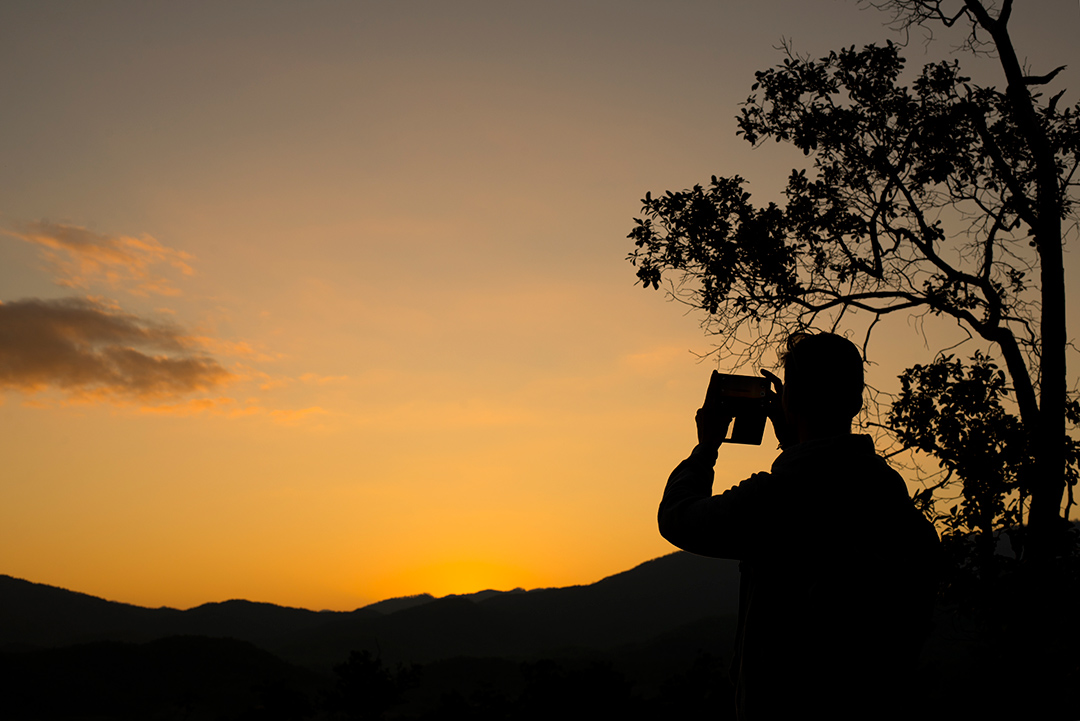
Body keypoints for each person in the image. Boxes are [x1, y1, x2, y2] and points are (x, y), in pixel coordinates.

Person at [658, 332, 940, 720]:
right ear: (857, 401)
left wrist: (706, 448)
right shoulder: (889, 497)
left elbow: (678, 518)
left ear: (789, 402)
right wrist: (795, 444)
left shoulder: (775, 499)